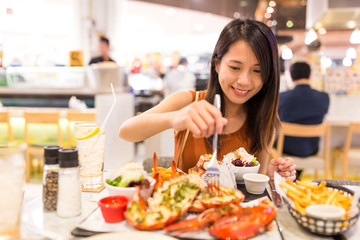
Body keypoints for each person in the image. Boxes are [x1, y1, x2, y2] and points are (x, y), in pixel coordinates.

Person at [119, 19, 296, 181]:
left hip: (235, 214)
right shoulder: (188, 102)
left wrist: (270, 178)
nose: (245, 81)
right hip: (182, 209)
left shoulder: (265, 121)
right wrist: (176, 117)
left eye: (258, 71)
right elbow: (126, 131)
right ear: (217, 64)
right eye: (235, 67)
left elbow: (252, 186)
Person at [278, 61, 330, 157]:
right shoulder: (324, 97)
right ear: (310, 75)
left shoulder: (282, 97)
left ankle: (293, 171)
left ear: (291, 77)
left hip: (286, 148)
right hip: (311, 149)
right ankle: (296, 172)